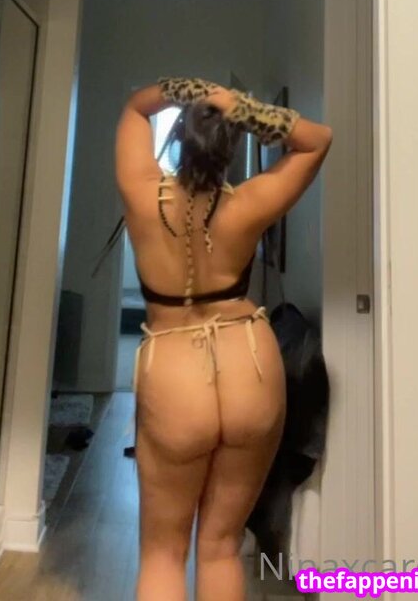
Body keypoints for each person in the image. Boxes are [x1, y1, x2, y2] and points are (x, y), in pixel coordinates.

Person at [114, 76, 333, 601]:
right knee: (220, 547)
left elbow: (136, 106)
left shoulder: (143, 194)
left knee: (163, 555)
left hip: (175, 373)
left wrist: (190, 88)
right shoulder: (249, 203)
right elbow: (317, 139)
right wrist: (241, 106)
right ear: (232, 143)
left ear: (179, 138)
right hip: (249, 364)